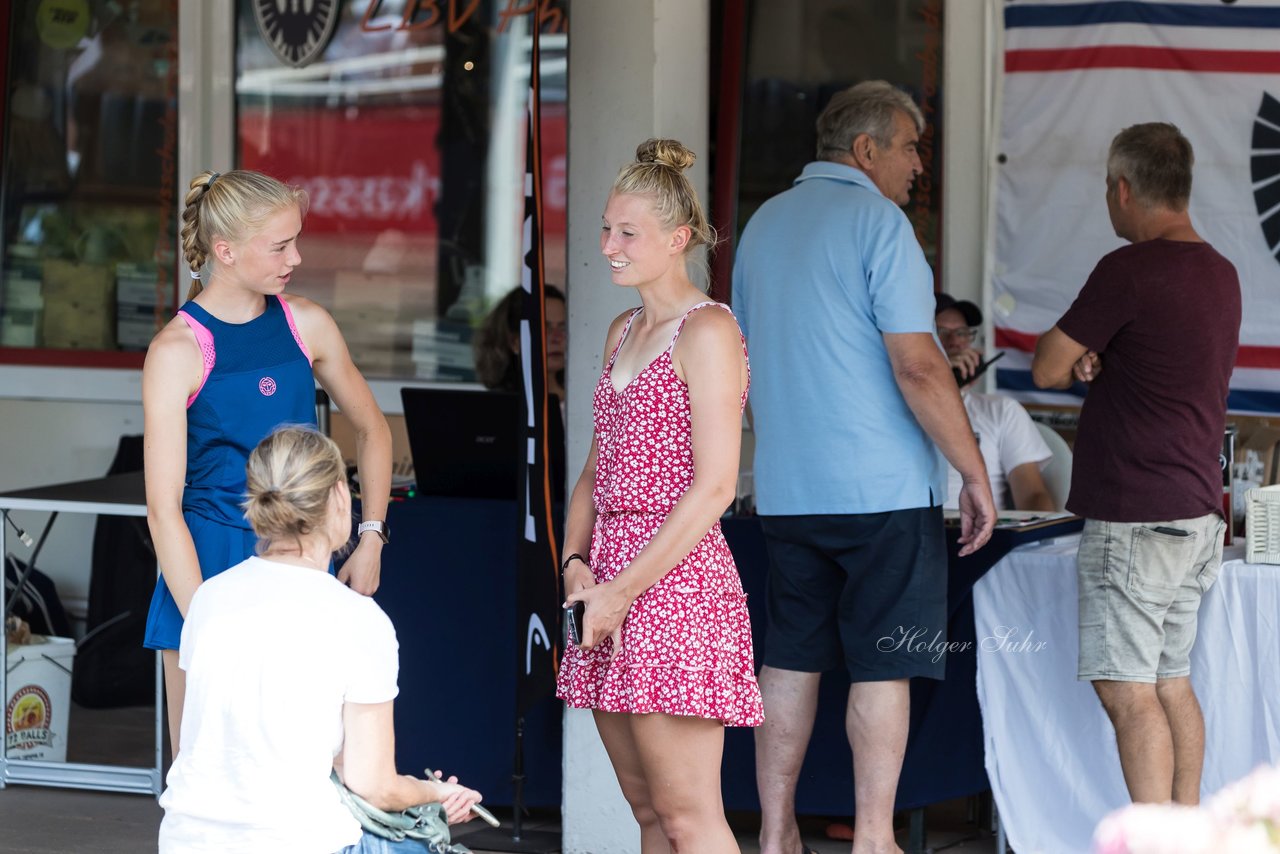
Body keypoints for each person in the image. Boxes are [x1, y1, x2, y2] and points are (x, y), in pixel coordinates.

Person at [732, 80, 996, 854]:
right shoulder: (881, 224)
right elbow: (919, 367)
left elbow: (743, 363)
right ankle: (874, 840)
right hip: (881, 491)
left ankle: (776, 834)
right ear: (867, 149)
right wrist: (974, 472)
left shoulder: (761, 226)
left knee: (788, 657)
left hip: (787, 487)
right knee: (884, 668)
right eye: (911, 147)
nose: (919, 165)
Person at [555, 139, 763, 854]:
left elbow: (716, 486)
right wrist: (576, 563)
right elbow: (594, 466)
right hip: (610, 572)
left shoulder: (708, 329)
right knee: (647, 813)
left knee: (689, 816)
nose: (609, 245)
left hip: (674, 583)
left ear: (679, 240)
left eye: (627, 233)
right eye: (607, 229)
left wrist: (620, 591)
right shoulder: (622, 329)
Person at [142, 169, 393, 755]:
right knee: (204, 771)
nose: (296, 257)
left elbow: (373, 429)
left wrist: (372, 536)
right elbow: (162, 508)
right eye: (280, 246)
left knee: (312, 768)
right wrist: (203, 616)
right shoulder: (176, 350)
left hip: (304, 562)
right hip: (205, 570)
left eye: (295, 240)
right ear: (224, 251)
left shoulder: (306, 322)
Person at [1031, 122, 1240, 805]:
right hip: (1195, 507)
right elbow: (1155, 362)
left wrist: (1086, 355)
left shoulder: (1129, 269)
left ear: (1123, 189)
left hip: (1136, 515)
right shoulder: (1220, 272)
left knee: (1129, 693)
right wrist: (1106, 358)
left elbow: (1048, 364)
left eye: (1106, 190)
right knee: (1172, 681)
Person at [158, 425, 482, 853]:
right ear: (339, 498)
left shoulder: (208, 599)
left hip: (188, 841)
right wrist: (434, 794)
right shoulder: (359, 619)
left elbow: (226, 744)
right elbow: (373, 786)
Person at [935, 293, 1055, 511]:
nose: (954, 342)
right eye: (941, 332)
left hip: (986, 536)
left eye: (962, 333)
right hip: (916, 536)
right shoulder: (894, 409)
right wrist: (938, 383)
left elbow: (1032, 495)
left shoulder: (1002, 409)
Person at [472, 284, 568, 502]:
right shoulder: (492, 410)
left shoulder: (588, 401)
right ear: (514, 341)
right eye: (544, 328)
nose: (556, 338)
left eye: (563, 327)